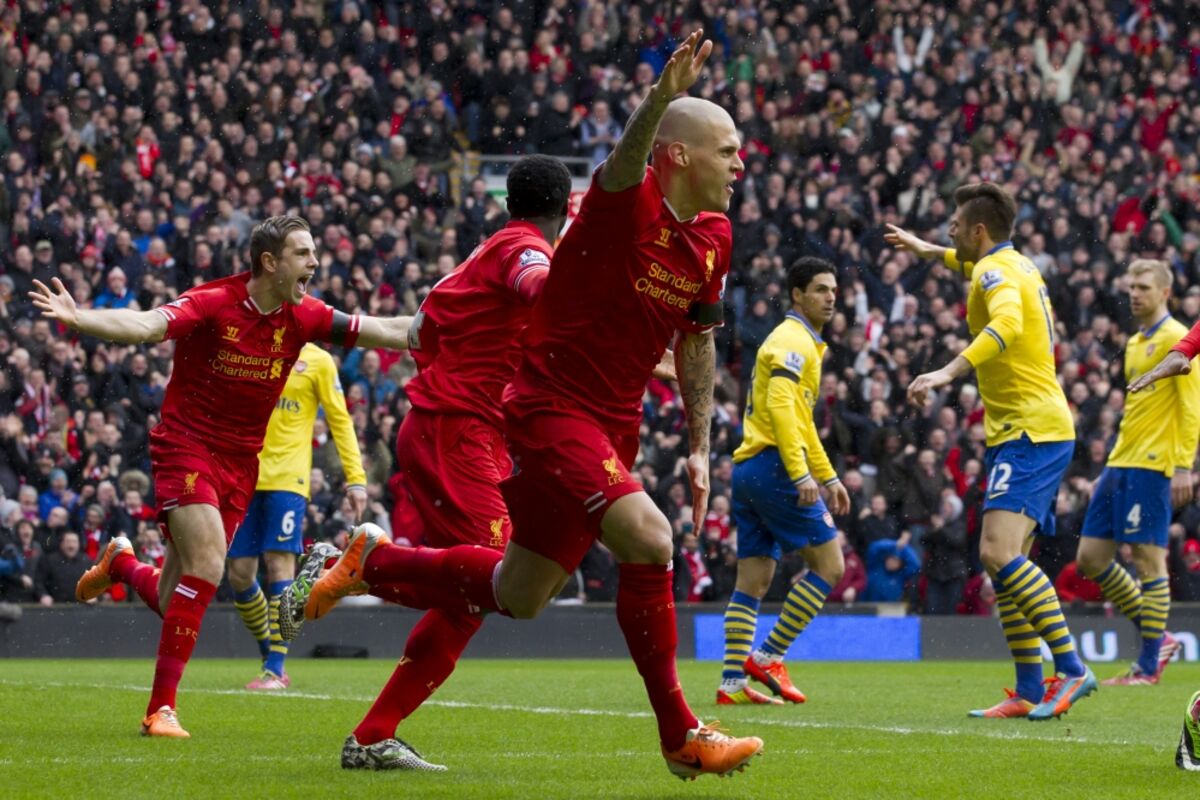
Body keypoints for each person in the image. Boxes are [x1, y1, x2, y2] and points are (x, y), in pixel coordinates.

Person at [295, 30, 763, 780]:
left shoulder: (715, 237)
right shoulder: (620, 206)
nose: (741, 164)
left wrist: (701, 446)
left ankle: (374, 563)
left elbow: (698, 340)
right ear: (678, 155)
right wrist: (658, 99)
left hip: (611, 424)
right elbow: (618, 171)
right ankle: (681, 734)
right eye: (729, 150)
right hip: (549, 409)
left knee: (518, 593)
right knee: (650, 538)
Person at [31, 214, 413, 739]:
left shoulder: (305, 315)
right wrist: (81, 318)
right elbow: (147, 325)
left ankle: (122, 564)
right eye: (303, 254)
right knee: (211, 565)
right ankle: (160, 710)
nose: (315, 262)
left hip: (241, 464)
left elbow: (383, 329)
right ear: (270, 262)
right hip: (186, 446)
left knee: (176, 598)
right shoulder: (213, 302)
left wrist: (447, 322)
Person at [288, 155, 576, 771]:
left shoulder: (484, 254)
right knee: (506, 581)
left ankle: (372, 736)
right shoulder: (525, 251)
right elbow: (540, 285)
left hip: (460, 429)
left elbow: (423, 329)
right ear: (566, 207)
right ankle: (370, 562)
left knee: (469, 599)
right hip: (456, 429)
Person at [887, 182, 1097, 721]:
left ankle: (1071, 668)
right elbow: (968, 266)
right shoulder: (1015, 264)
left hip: (1030, 430)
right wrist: (926, 250)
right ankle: (1028, 687)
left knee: (998, 555)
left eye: (956, 225)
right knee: (1008, 567)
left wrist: (947, 372)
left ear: (979, 230)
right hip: (1033, 428)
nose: (950, 230)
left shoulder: (992, 272)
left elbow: (1005, 323)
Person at [716, 257, 850, 706]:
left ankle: (732, 684)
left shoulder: (798, 341)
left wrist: (828, 475)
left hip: (749, 468)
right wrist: (800, 472)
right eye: (820, 289)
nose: (830, 298)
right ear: (797, 295)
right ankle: (770, 656)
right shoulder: (793, 341)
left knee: (753, 581)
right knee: (830, 567)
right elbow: (781, 410)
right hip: (774, 467)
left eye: (833, 290)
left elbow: (801, 420)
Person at [1074, 259, 1196, 685]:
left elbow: (1191, 406)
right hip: (1120, 462)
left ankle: (1147, 667)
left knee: (1148, 561)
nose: (1135, 293)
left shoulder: (1177, 337)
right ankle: (1159, 639)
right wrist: (1110, 462)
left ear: (1165, 292)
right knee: (1091, 558)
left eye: (1144, 287)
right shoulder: (1133, 342)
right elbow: (1135, 410)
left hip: (1153, 465)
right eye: (1131, 286)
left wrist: (1183, 465)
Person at [227, 340, 368, 691]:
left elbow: (340, 420)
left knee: (279, 567)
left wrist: (356, 478)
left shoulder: (318, 361)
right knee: (239, 575)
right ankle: (269, 654)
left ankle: (276, 669)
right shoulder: (252, 348)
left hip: (288, 479)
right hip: (244, 476)